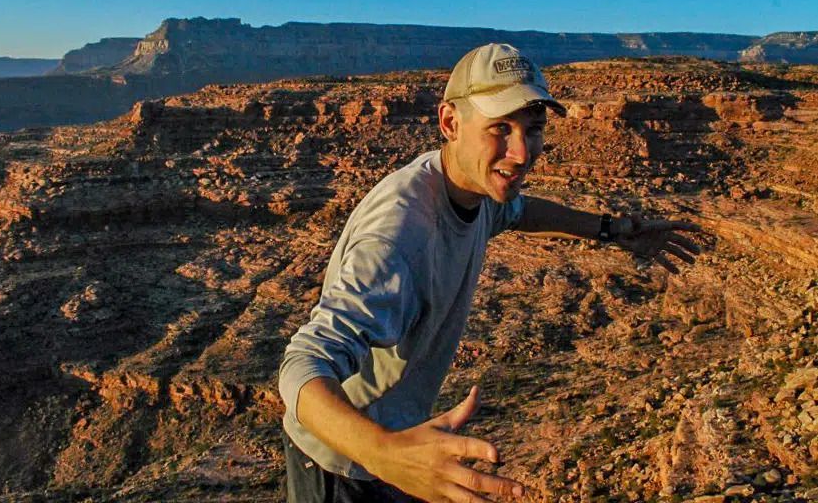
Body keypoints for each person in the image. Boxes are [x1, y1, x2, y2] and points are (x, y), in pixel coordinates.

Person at [278, 43, 700, 503]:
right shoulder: (399, 235)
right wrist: (384, 454)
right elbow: (303, 365)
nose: (521, 153)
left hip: (400, 444)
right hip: (340, 464)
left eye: (533, 129)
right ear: (450, 123)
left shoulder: (469, 186)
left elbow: (519, 212)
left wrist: (608, 229)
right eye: (500, 129)